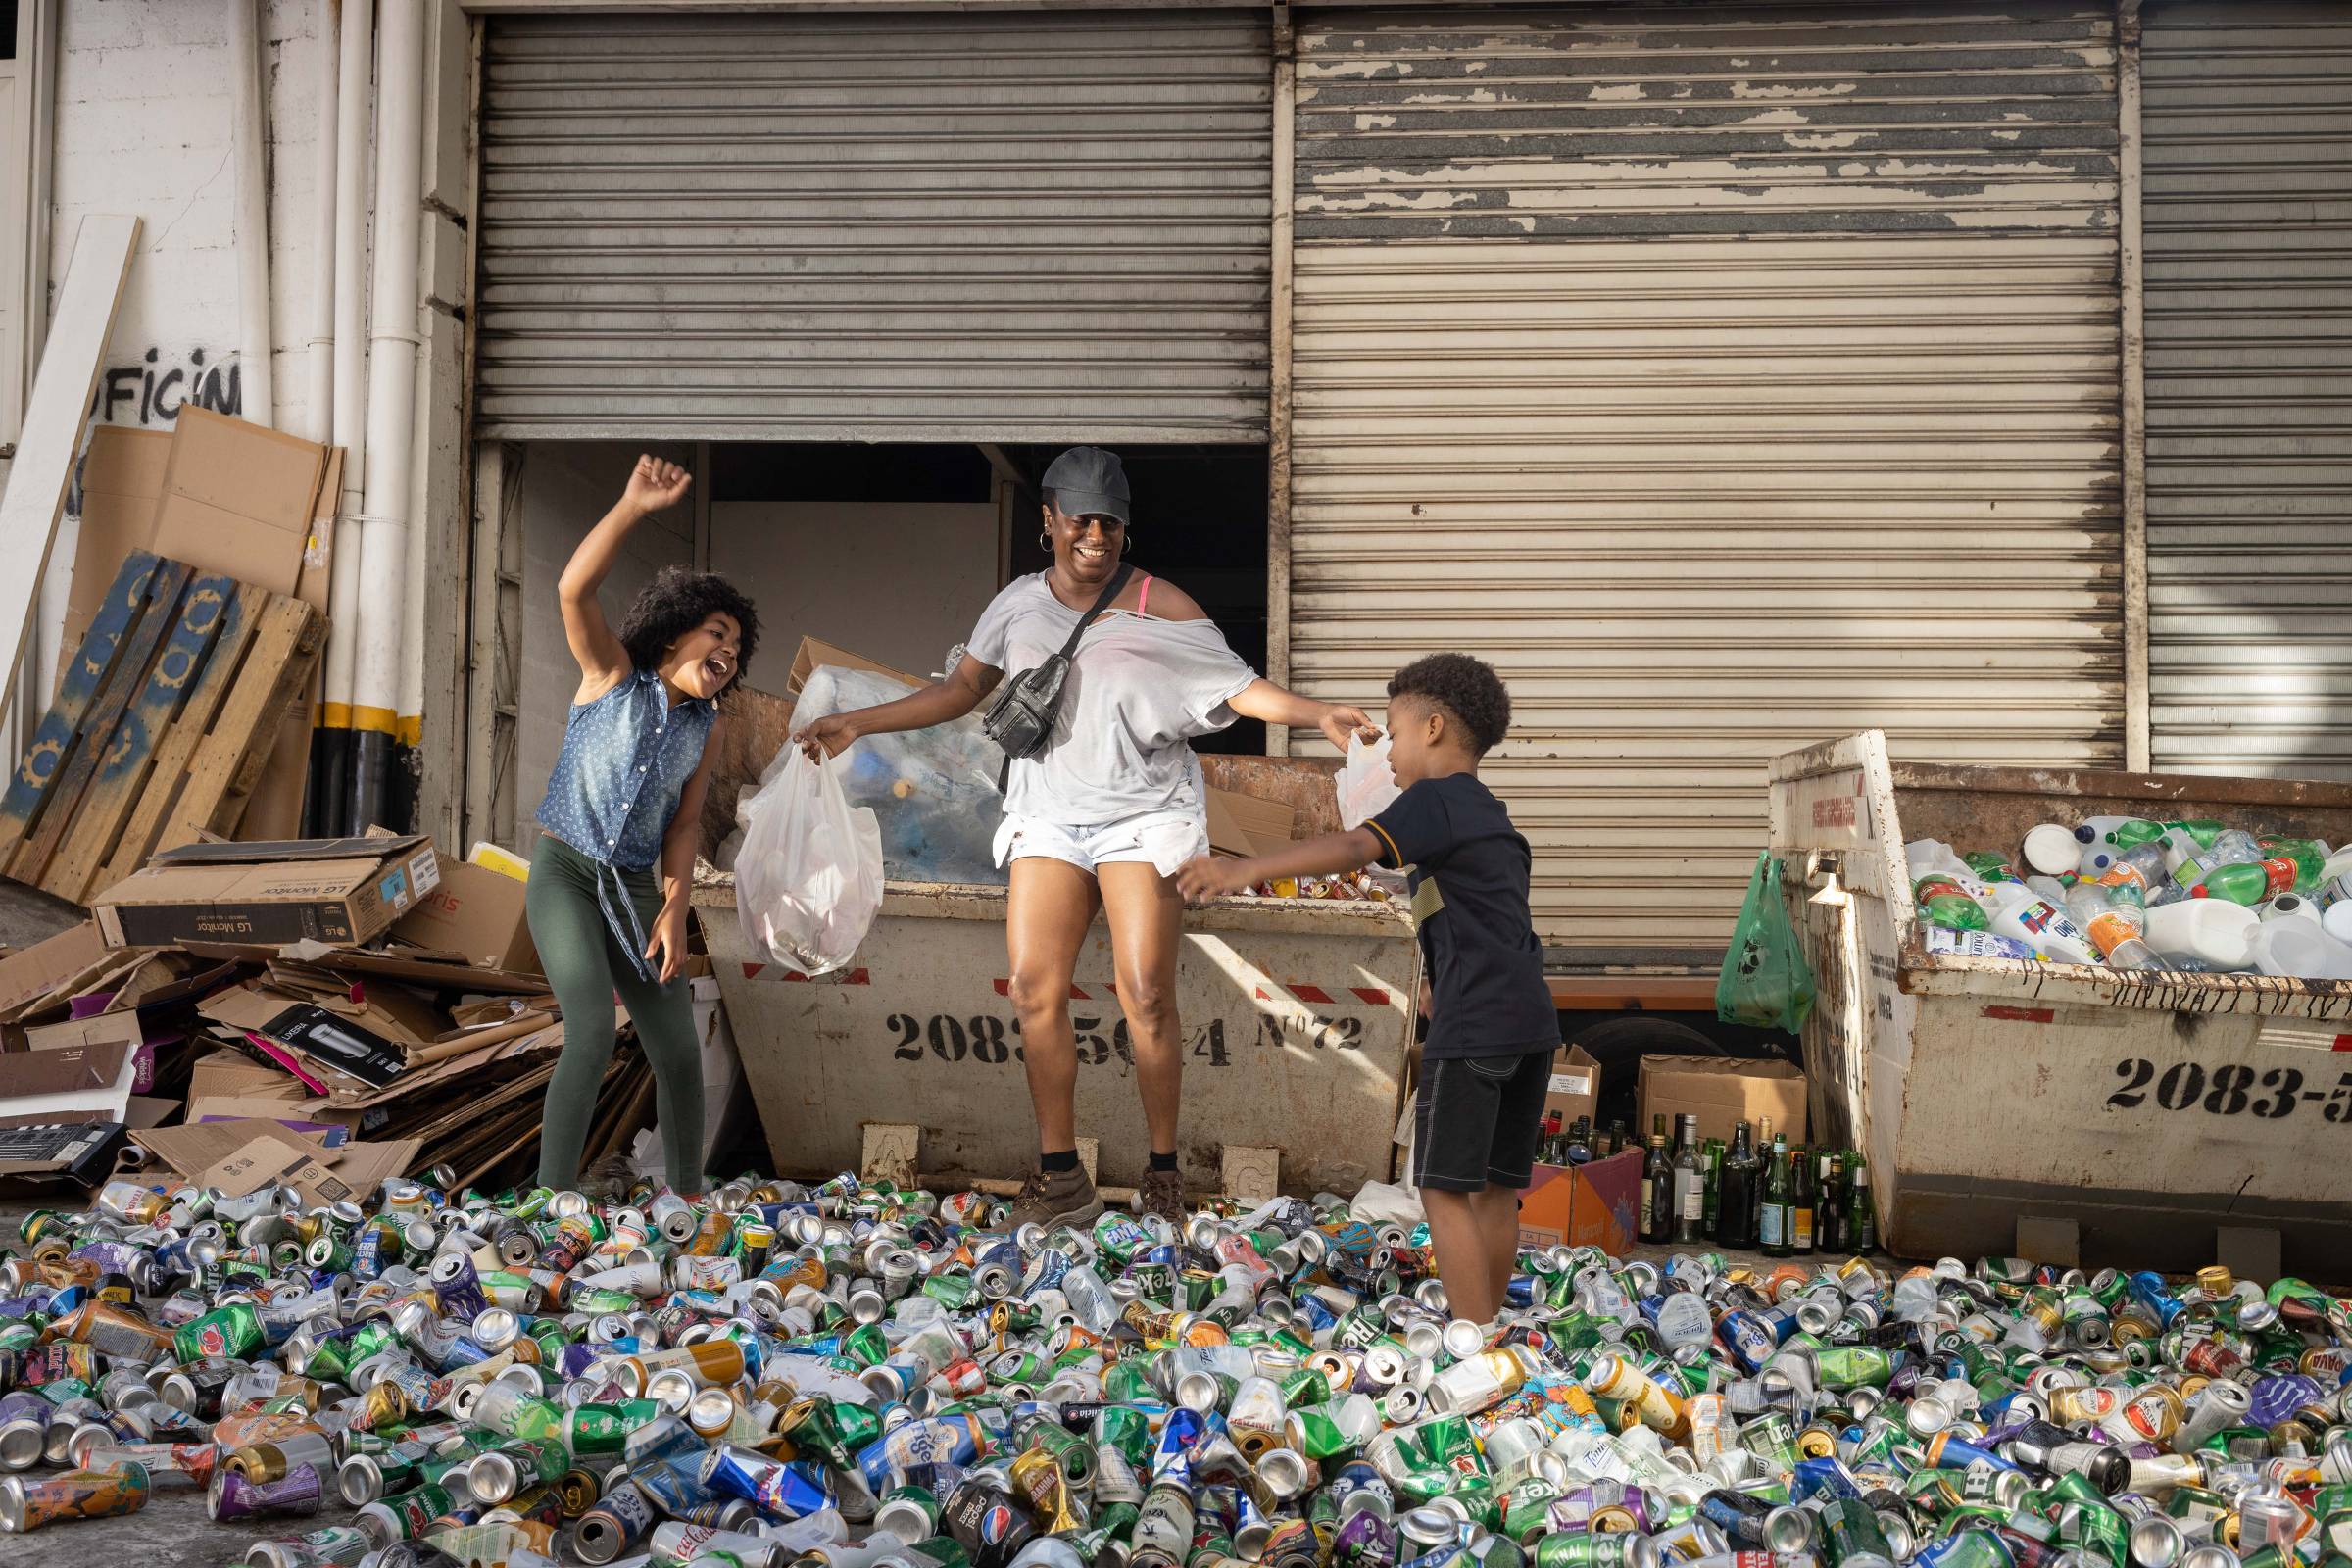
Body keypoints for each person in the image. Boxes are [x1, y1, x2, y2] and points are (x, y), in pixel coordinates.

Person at [795, 446, 1374, 1227]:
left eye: (1110, 522)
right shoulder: (1016, 607)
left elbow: (1241, 687)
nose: (1095, 535)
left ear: (1125, 528)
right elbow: (961, 691)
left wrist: (1319, 714)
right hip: (1049, 815)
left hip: (1145, 816)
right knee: (1035, 989)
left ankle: (1163, 1173)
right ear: (1050, 520)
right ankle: (1061, 1174)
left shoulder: (1158, 604)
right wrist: (856, 722)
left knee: (1146, 995)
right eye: (1080, 519)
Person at [1174, 653, 1555, 1326]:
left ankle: (1473, 1343)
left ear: (1434, 728)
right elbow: (1482, 912)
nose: (1390, 753)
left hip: (1475, 1030)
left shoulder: (1432, 801)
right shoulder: (1491, 815)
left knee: (1441, 1190)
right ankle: (1497, 1331)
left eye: (1395, 734)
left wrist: (1246, 869)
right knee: (1495, 1192)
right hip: (1529, 1023)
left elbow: (1355, 849)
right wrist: (1439, 980)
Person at [532, 455, 760, 1200]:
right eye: (714, 635)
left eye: (736, 647)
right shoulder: (610, 677)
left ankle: (687, 1202)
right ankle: (548, 1203)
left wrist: (675, 907)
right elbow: (573, 588)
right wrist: (631, 506)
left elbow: (686, 824)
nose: (726, 653)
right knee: (593, 1030)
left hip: (635, 887)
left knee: (678, 1050)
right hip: (566, 873)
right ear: (672, 635)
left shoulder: (707, 729)